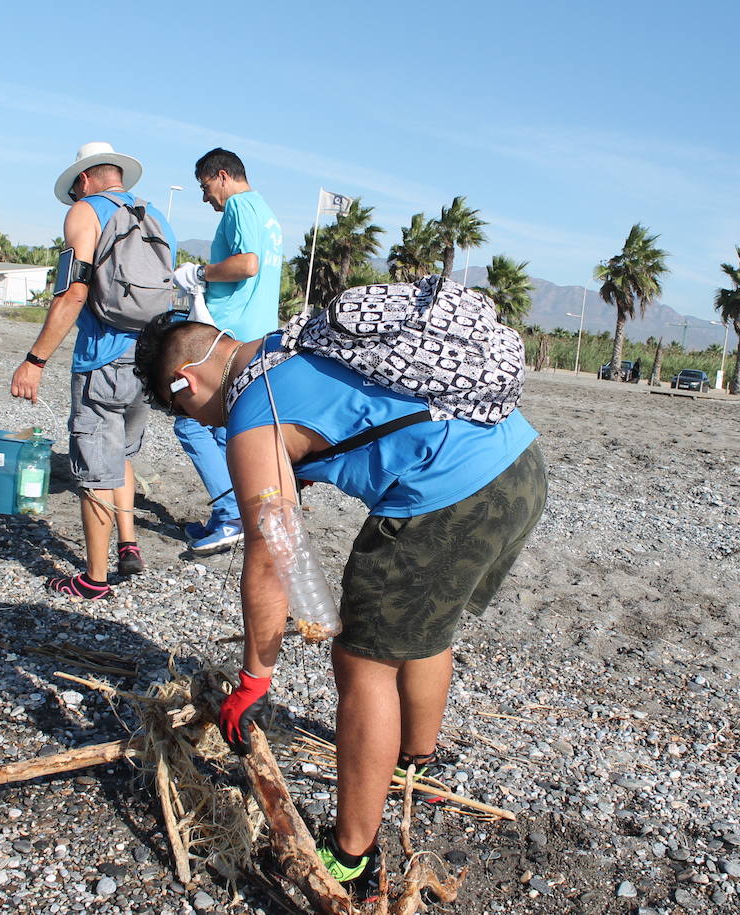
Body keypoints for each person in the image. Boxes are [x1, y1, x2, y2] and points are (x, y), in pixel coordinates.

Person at [133, 316, 547, 901]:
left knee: (361, 662)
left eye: (189, 415)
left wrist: (254, 677)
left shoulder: (252, 412)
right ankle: (416, 766)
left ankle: (352, 856)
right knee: (423, 625)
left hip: (449, 495)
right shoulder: (289, 346)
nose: (204, 425)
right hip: (518, 467)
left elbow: (274, 554)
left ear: (184, 382)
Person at [9, 141, 175, 600]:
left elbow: (73, 293)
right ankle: (129, 543)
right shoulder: (157, 217)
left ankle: (94, 580)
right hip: (149, 358)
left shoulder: (86, 212)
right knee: (121, 453)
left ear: (83, 180)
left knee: (94, 468)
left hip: (102, 359)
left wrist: (35, 359)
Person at [169, 148, 283, 554]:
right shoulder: (267, 214)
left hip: (228, 337)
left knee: (190, 421)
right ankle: (230, 515)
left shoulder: (239, 205)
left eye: (204, 188)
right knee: (222, 429)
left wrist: (198, 273)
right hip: (257, 336)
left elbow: (248, 264)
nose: (206, 199)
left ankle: (234, 515)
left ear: (222, 175)